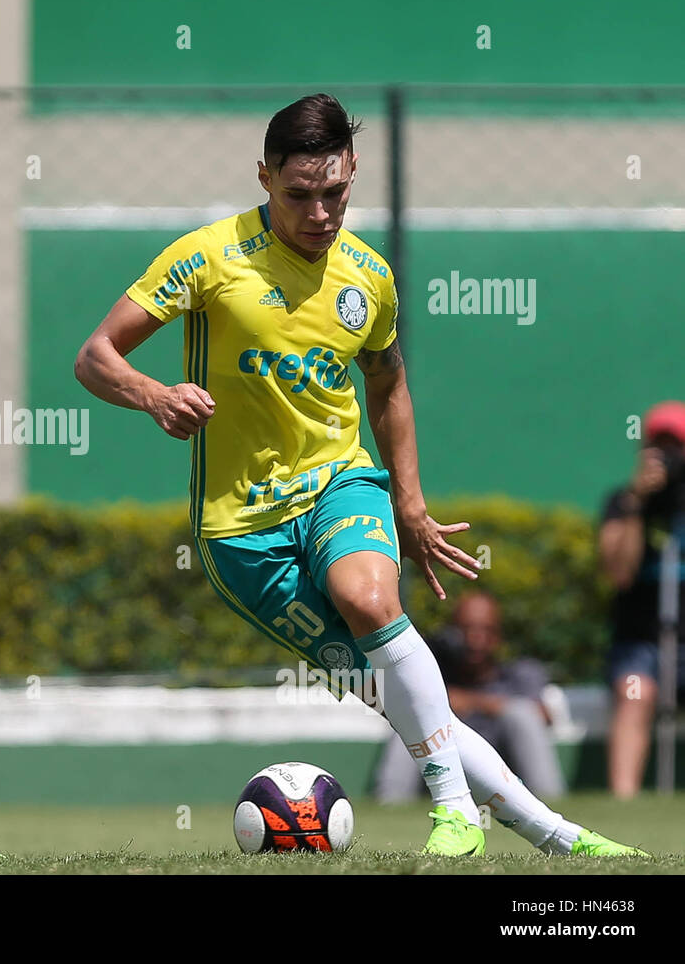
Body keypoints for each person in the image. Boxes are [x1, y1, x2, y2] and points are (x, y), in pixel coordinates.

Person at [74, 92, 644, 857]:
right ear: (264, 178)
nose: (319, 212)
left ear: (352, 175)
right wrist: (153, 394)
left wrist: (408, 499)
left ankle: (453, 811)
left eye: (335, 192)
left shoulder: (368, 277)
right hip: (241, 534)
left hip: (340, 481)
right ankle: (557, 835)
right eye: (299, 194)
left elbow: (388, 385)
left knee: (370, 598)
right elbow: (96, 355)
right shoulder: (208, 257)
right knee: (397, 702)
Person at [373, 591, 565, 802]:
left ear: (498, 636)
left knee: (520, 714)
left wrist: (477, 703)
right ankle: (392, 805)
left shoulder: (520, 673)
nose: (476, 639)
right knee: (414, 714)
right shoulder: (432, 673)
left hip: (507, 778)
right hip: (442, 778)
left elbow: (544, 716)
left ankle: (550, 805)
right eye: (467, 630)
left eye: (486, 630)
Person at [598, 400, 685, 798]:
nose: (667, 457)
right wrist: (637, 504)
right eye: (659, 446)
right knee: (636, 690)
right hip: (640, 642)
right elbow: (619, 571)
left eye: (676, 447)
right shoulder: (624, 502)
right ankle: (625, 799)